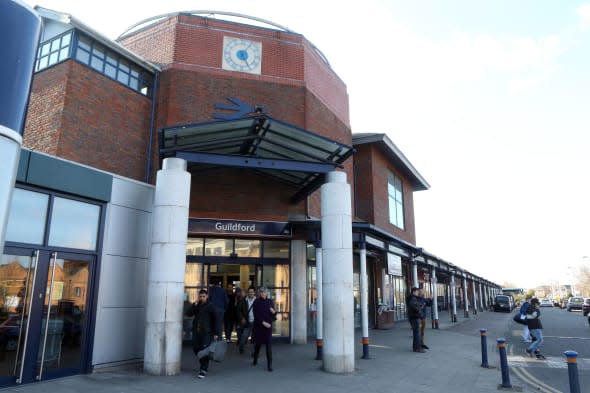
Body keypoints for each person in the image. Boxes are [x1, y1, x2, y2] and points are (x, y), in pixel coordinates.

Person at [185, 289, 219, 379]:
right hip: (196, 332)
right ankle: (203, 366)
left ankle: (203, 369)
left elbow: (217, 320)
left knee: (204, 350)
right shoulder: (197, 305)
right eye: (200, 296)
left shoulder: (211, 306)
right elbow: (188, 314)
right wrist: (194, 304)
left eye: (203, 296)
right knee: (196, 350)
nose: (202, 298)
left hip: (206, 332)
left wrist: (216, 332)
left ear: (207, 296)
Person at [251, 286, 276, 371]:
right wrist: (263, 322)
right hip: (259, 327)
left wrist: (274, 312)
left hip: (267, 328)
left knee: (268, 347)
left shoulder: (270, 302)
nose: (263, 294)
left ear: (267, 293)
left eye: (264, 292)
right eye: (261, 292)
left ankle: (270, 365)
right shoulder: (256, 302)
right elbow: (256, 315)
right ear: (259, 293)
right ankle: (255, 359)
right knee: (258, 345)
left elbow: (274, 314)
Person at [237, 286, 257, 354]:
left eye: (252, 292)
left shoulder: (257, 301)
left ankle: (253, 352)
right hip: (247, 322)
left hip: (255, 322)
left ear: (254, 293)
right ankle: (241, 347)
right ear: (247, 293)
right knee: (244, 337)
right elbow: (238, 310)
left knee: (254, 338)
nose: (251, 293)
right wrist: (242, 318)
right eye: (249, 292)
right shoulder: (243, 300)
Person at [407, 287, 425, 353]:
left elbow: (414, 304)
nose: (418, 293)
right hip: (415, 317)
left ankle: (416, 347)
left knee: (416, 333)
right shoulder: (413, 298)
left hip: (413, 317)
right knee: (417, 333)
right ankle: (417, 348)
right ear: (414, 291)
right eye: (417, 292)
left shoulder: (412, 298)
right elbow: (413, 305)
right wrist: (419, 310)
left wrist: (419, 305)